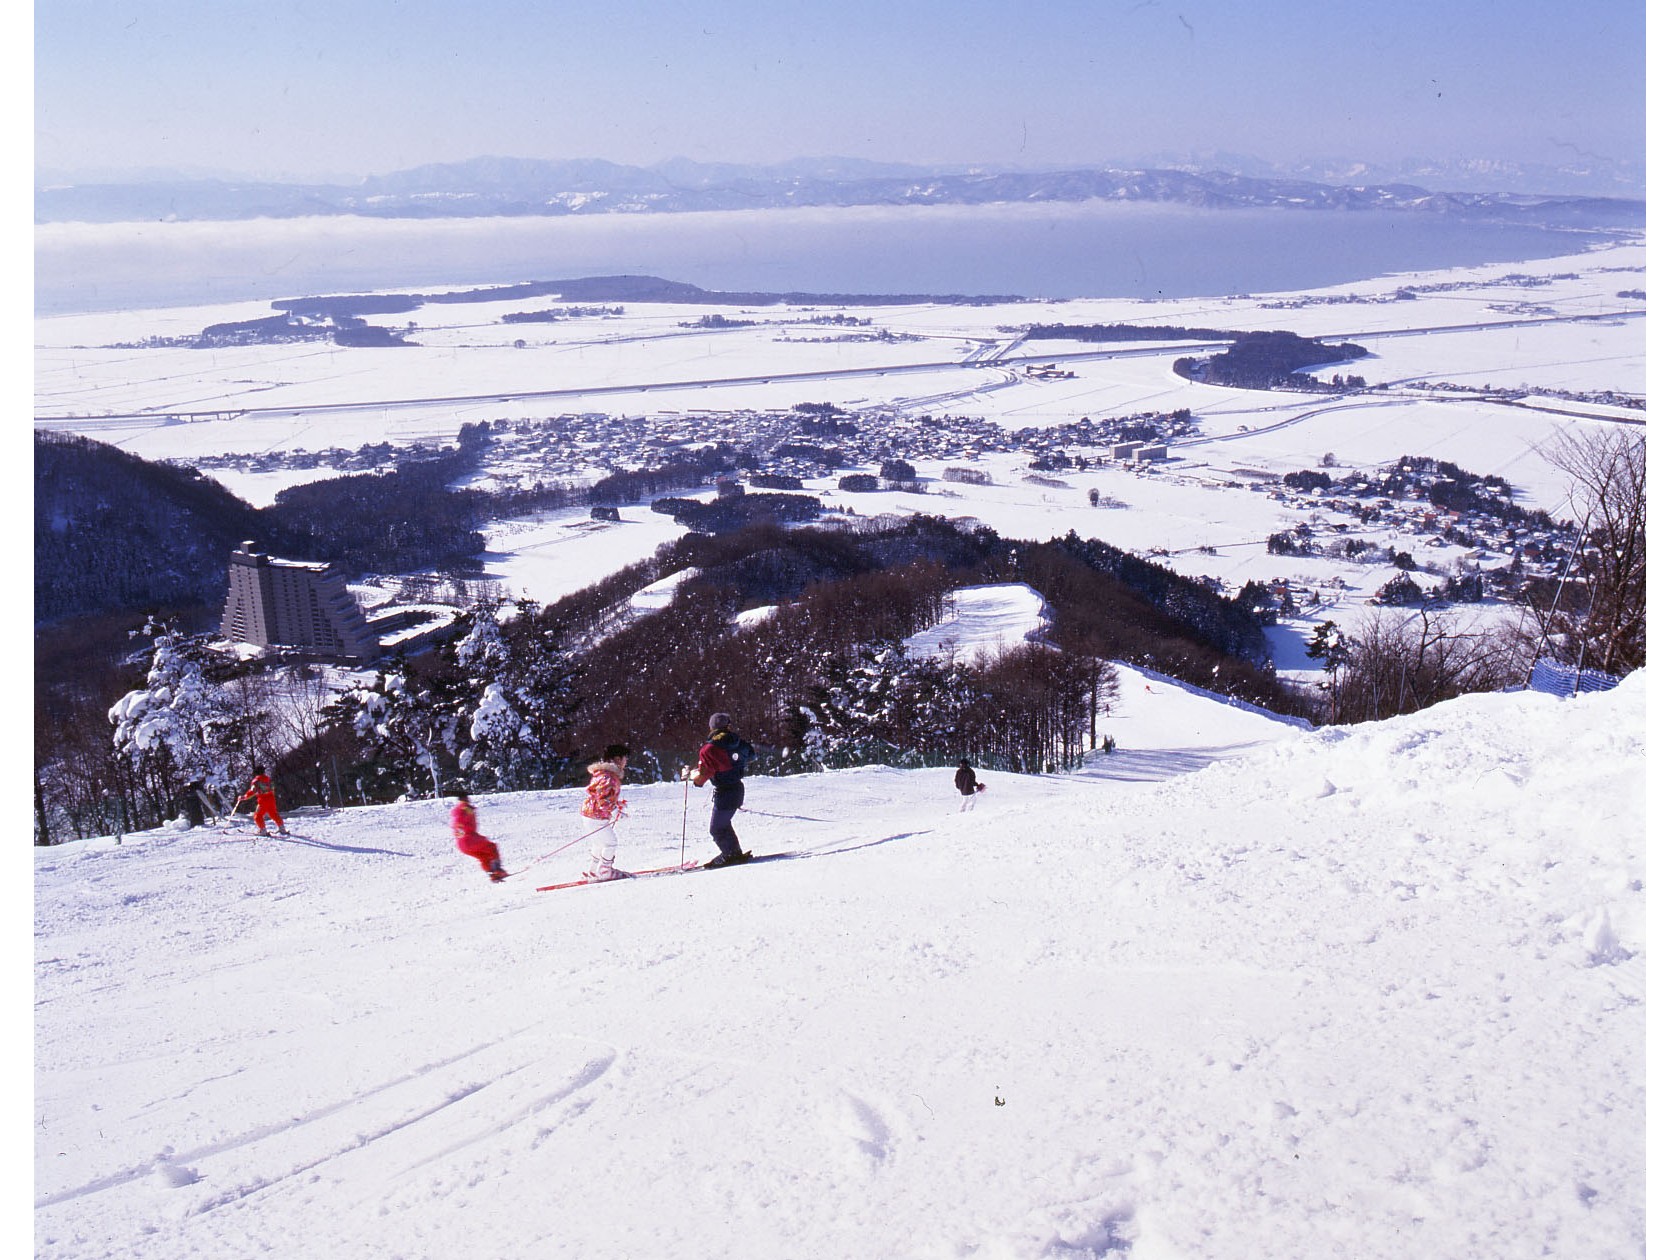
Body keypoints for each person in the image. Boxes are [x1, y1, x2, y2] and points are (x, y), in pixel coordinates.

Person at [685, 712, 755, 868]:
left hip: (724, 792)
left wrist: (692, 777)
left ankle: (731, 854)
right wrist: (736, 762)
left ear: (711, 728)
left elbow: (704, 775)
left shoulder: (708, 749)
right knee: (723, 824)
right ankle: (733, 852)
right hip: (737, 788)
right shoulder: (739, 742)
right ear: (728, 726)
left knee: (716, 828)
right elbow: (751, 755)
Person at [580, 743, 632, 881]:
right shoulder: (609, 777)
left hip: (590, 814)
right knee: (611, 843)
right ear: (617, 759)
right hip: (597, 816)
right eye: (625, 758)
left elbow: (601, 795)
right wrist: (616, 812)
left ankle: (593, 870)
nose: (626, 762)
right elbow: (603, 800)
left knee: (599, 843)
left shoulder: (603, 774)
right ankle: (604, 871)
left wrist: (616, 804)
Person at [451, 791, 508, 883]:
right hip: (469, 839)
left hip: (461, 844)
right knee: (492, 847)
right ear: (465, 798)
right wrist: (470, 810)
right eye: (467, 798)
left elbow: (458, 822)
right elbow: (465, 813)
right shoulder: (465, 807)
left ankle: (492, 874)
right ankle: (497, 870)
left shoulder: (456, 810)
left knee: (483, 856)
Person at [236, 770, 287, 835]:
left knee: (257, 815)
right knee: (274, 814)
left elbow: (252, 791)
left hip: (262, 801)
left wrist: (244, 797)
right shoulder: (268, 779)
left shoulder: (256, 781)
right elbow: (272, 789)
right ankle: (282, 829)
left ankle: (263, 831)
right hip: (271, 800)